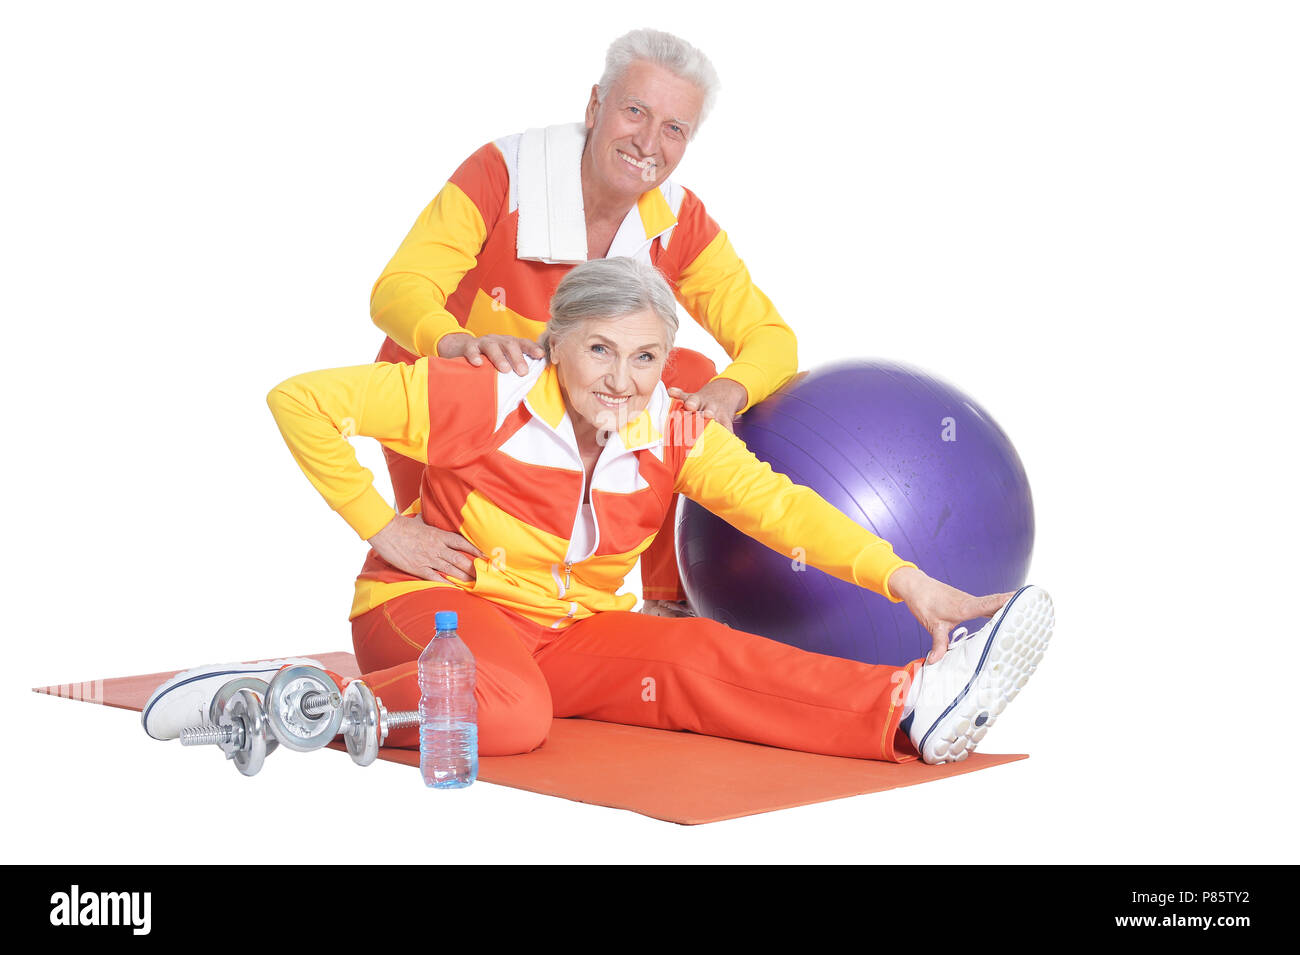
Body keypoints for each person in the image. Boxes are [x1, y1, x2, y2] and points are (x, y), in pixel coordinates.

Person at [143, 258, 1054, 766]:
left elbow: (784, 510)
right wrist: (384, 528)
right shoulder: (480, 394)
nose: (624, 380)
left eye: (650, 357)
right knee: (505, 716)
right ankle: (278, 702)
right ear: (555, 345)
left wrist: (912, 582)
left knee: (698, 652)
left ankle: (908, 705)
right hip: (432, 611)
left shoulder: (672, 427)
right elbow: (300, 399)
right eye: (601, 351)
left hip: (566, 632)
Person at [368, 28, 800, 617]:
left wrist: (728, 391)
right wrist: (457, 341)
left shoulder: (679, 219)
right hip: (463, 399)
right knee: (466, 585)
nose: (649, 142)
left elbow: (771, 339)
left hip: (572, 408)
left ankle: (668, 602)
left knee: (691, 375)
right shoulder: (505, 172)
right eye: (635, 111)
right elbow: (399, 289)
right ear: (595, 105)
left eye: (675, 129)